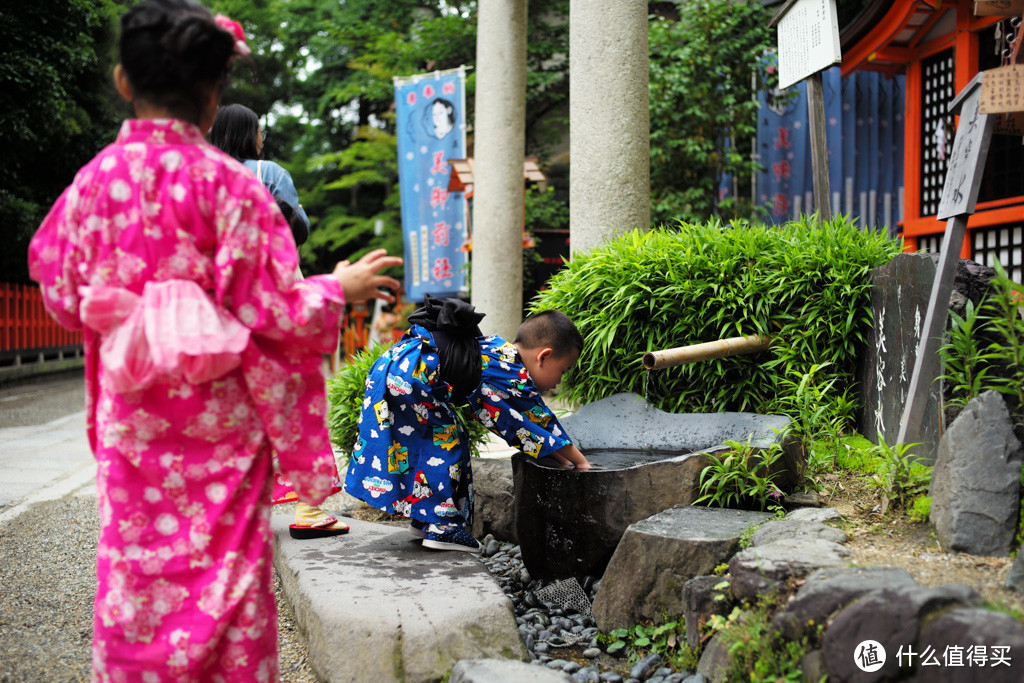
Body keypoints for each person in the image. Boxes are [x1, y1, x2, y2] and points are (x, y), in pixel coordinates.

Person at [26, 1, 402, 679]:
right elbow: (275, 312)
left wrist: (129, 310)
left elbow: (56, 283)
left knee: (136, 573)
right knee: (227, 573)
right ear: (213, 93)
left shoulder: (92, 187)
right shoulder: (233, 190)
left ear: (122, 81)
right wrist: (335, 289)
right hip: (220, 425)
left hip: (134, 420)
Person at [344, 296, 591, 554]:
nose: (558, 383)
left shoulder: (498, 351)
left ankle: (425, 517)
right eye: (563, 371)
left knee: (422, 444)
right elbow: (536, 423)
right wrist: (581, 462)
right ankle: (444, 528)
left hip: (395, 365)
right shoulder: (512, 372)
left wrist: (561, 459)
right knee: (446, 440)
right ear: (544, 356)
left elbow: (529, 428)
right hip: (414, 374)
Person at [209, 102, 310, 246]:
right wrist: (299, 211)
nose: (261, 139)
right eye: (260, 133)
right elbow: (295, 234)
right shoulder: (270, 172)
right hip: (262, 264)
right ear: (250, 136)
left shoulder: (201, 175)